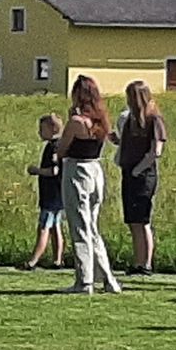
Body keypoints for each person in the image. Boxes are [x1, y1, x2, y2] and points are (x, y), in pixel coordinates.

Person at [56, 75, 122, 295]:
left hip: (77, 170)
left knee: (80, 227)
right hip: (96, 170)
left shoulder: (77, 122)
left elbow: (62, 149)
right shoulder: (101, 121)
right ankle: (108, 279)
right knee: (92, 227)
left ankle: (84, 281)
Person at [112, 80, 167, 275]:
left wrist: (138, 170)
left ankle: (146, 263)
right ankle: (138, 261)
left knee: (142, 220)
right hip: (129, 172)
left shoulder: (154, 119)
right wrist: (117, 141)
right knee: (133, 220)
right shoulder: (132, 120)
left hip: (143, 175)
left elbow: (156, 151)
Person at [20, 113, 65, 271]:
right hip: (59, 194)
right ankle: (58, 259)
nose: (39, 132)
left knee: (44, 226)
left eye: (42, 129)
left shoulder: (54, 147)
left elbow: (54, 170)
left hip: (51, 194)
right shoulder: (60, 145)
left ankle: (33, 261)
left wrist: (37, 171)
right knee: (56, 226)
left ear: (53, 129)